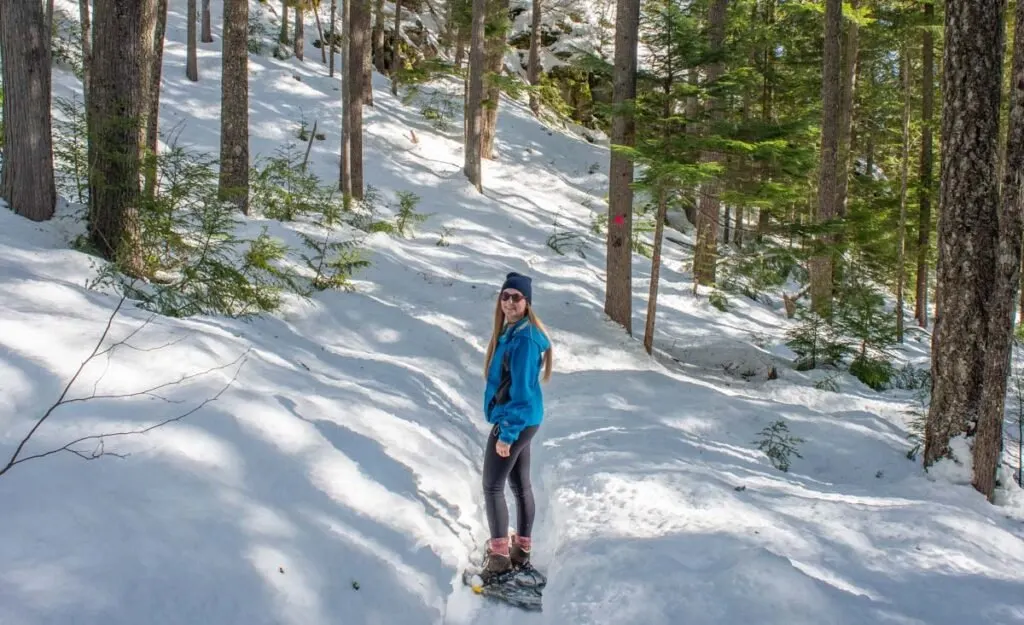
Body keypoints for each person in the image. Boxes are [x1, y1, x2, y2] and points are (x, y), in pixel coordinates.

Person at [480, 271, 553, 582]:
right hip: (527, 420)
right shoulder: (515, 332)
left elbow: (521, 393)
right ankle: (520, 549)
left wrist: (507, 434)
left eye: (516, 297)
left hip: (516, 420)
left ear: (527, 302)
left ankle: (499, 557)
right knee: (519, 484)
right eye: (505, 296)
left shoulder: (522, 340)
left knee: (492, 485)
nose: (509, 302)